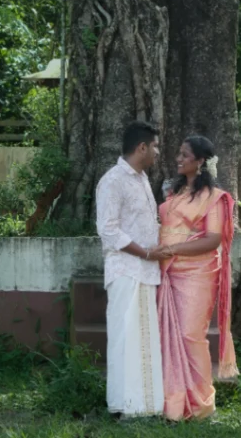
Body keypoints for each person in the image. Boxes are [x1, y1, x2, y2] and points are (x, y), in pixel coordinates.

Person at [156, 134, 238, 421]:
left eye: (184, 155)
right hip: (168, 272)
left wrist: (172, 248)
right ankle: (174, 402)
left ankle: (201, 404)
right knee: (169, 336)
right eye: (178, 153)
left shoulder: (214, 198)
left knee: (191, 336)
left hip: (198, 273)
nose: (178, 159)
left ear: (200, 161)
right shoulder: (174, 192)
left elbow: (213, 240)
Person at [95, 119, 167, 418]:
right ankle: (124, 406)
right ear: (141, 147)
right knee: (126, 338)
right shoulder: (113, 180)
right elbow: (108, 231)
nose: (158, 153)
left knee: (143, 338)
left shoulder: (141, 179)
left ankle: (144, 405)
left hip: (145, 271)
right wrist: (146, 252)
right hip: (126, 269)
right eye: (155, 147)